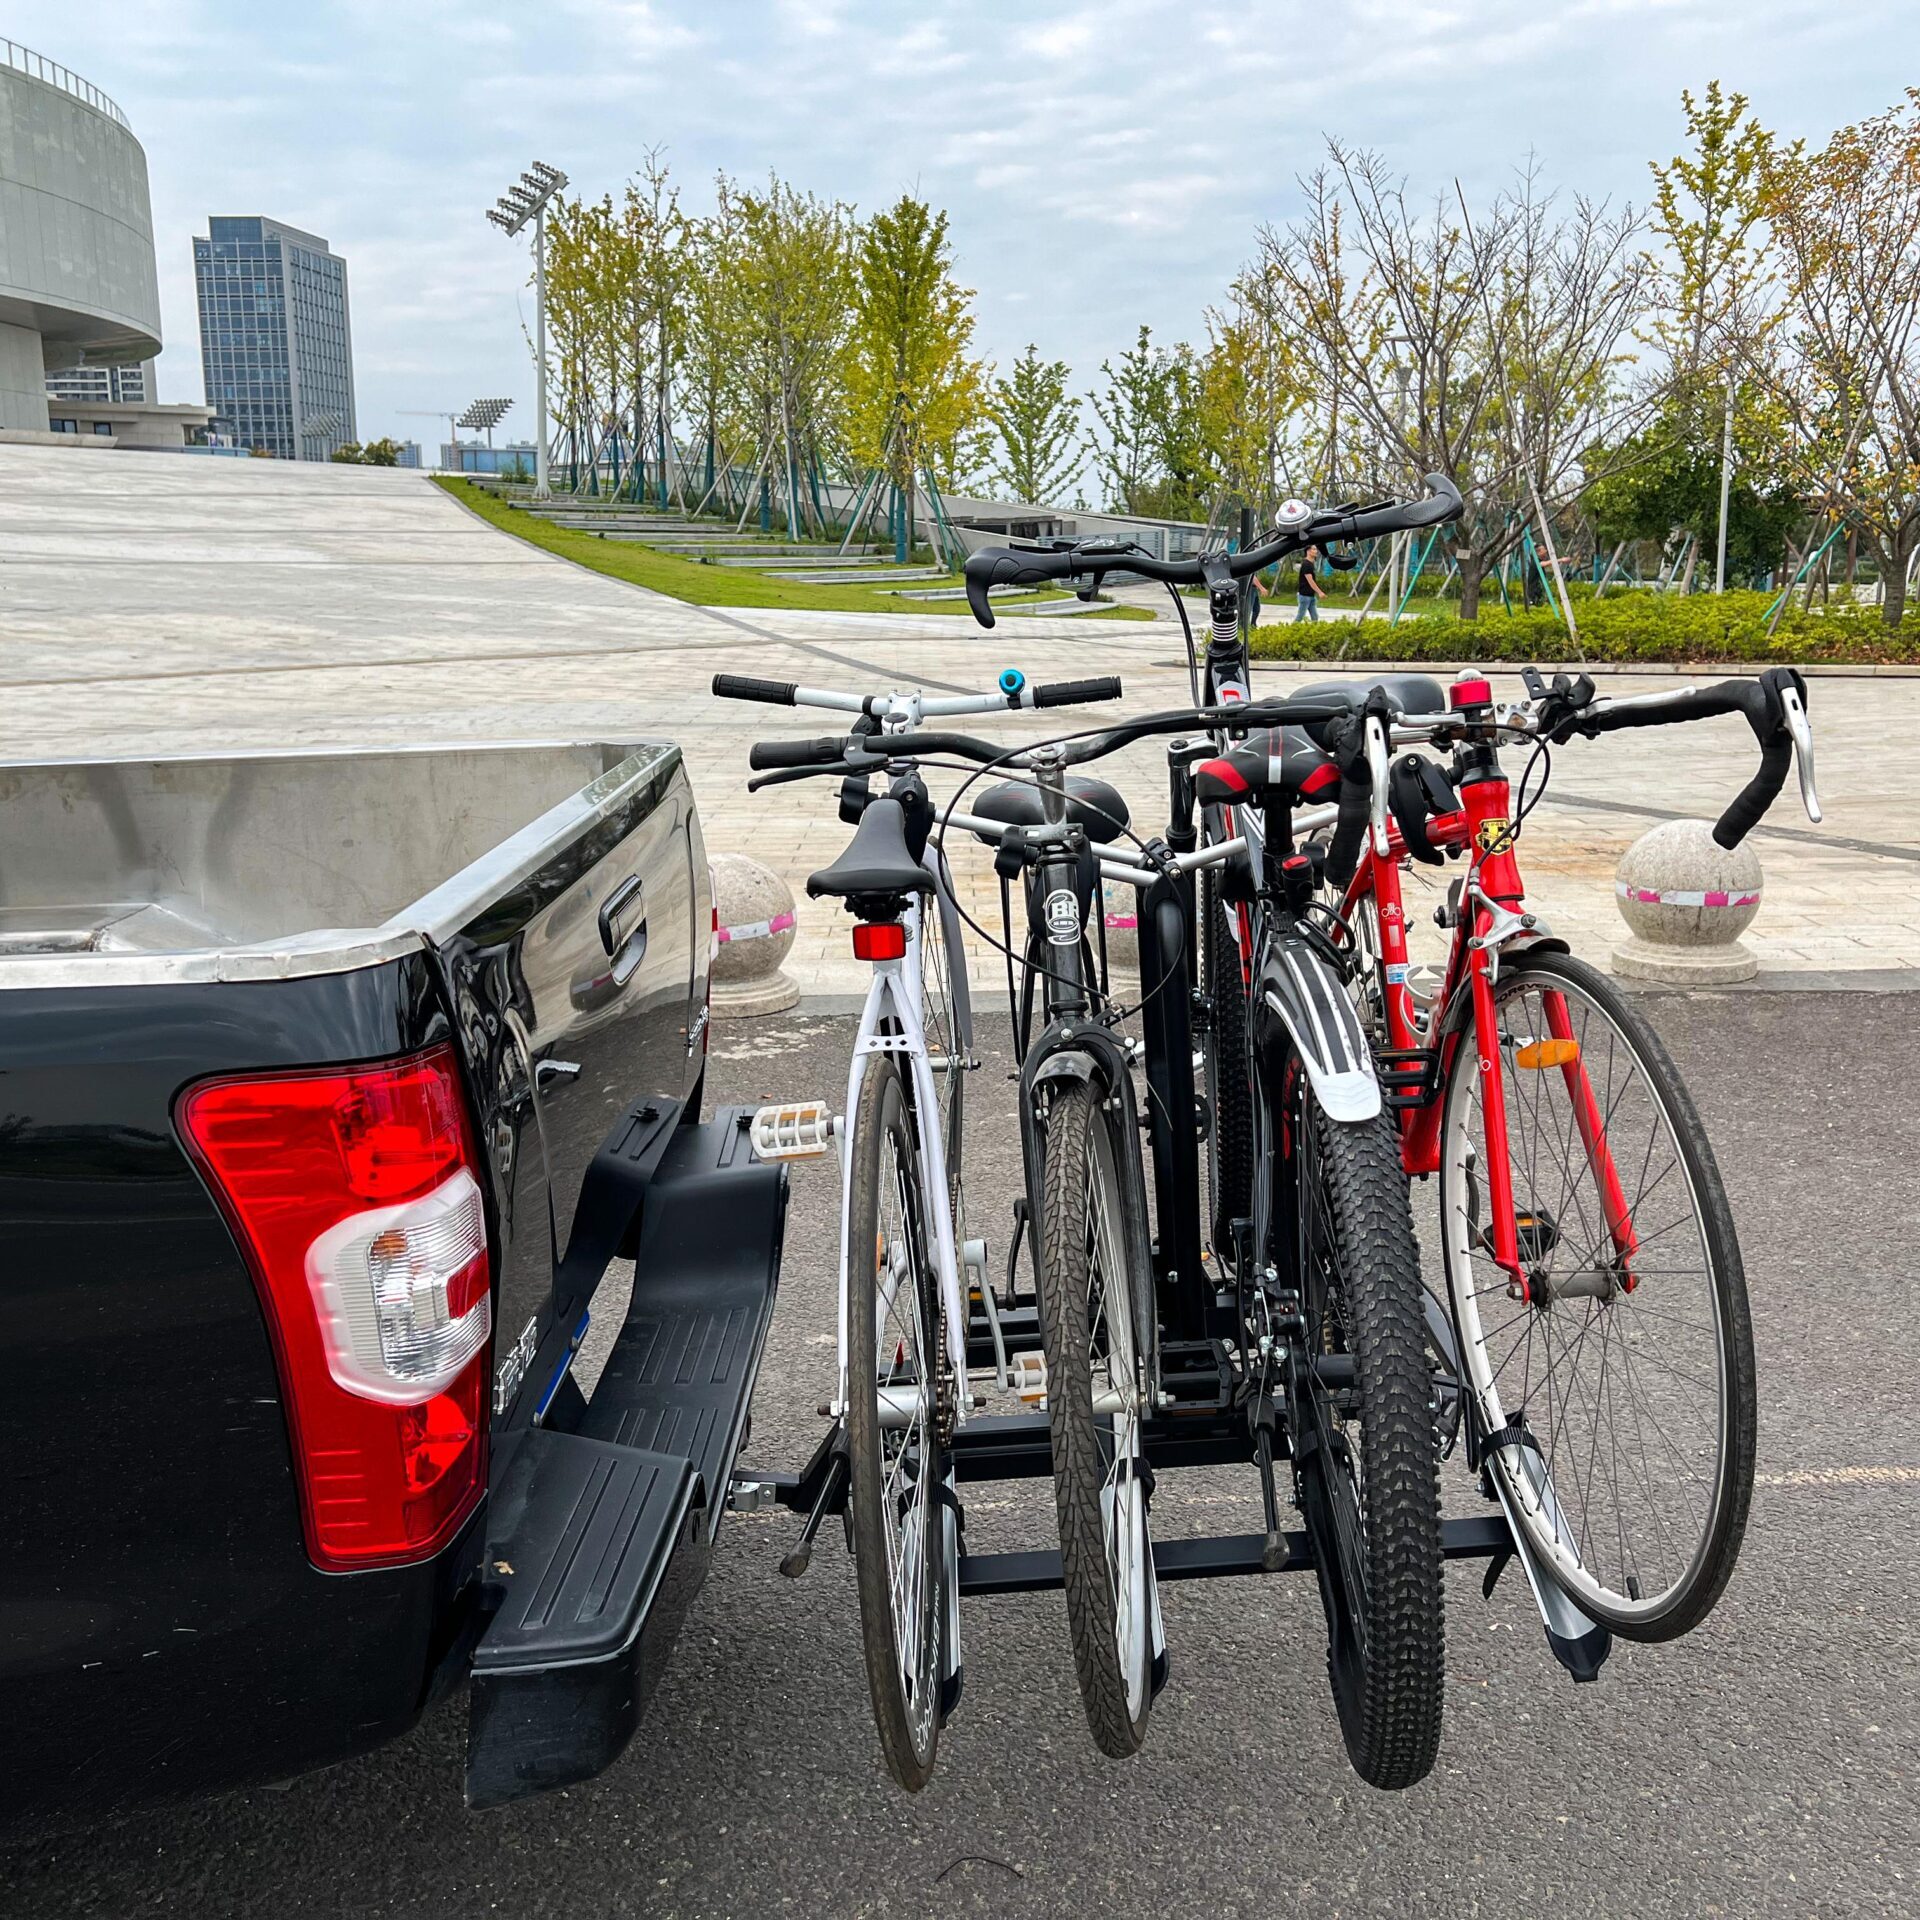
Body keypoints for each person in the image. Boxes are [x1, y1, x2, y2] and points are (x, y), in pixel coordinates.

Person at [1294, 543, 1327, 622]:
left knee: (1315, 617)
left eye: (1316, 549)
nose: (1316, 551)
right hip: (1305, 596)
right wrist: (1320, 592)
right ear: (1308, 551)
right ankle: (1291, 631)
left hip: (1311, 595)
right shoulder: (1306, 564)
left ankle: (1315, 632)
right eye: (1314, 549)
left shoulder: (1311, 564)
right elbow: (1310, 581)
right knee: (1300, 617)